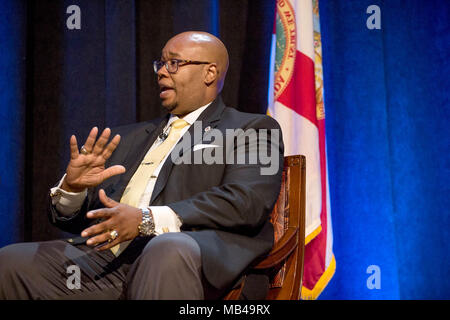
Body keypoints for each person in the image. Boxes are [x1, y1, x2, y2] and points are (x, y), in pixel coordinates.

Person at [0, 31, 284, 300]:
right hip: (111, 261)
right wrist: (73, 189)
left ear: (210, 73)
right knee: (11, 262)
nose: (161, 71)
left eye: (174, 63)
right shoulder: (129, 138)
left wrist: (147, 219)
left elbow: (247, 200)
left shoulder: (253, 128)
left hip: (194, 261)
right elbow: (90, 220)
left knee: (165, 250)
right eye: (160, 63)